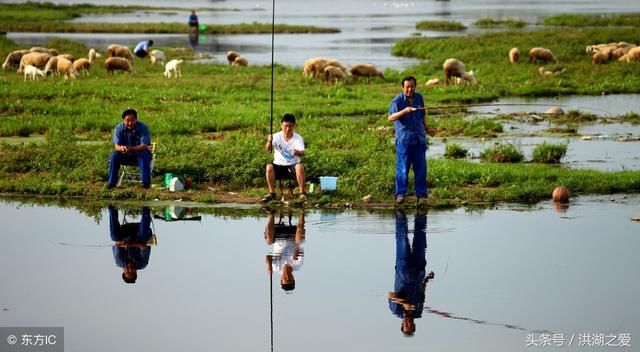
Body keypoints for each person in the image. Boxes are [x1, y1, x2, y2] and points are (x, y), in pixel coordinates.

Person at [388, 210, 435, 336]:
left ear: (402, 324)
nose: (408, 324)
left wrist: (405, 303)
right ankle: (421, 214)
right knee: (421, 238)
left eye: (406, 326)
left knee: (402, 238)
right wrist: (426, 280)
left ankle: (400, 212)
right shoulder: (418, 311)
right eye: (411, 326)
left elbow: (390, 295)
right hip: (419, 270)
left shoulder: (396, 311)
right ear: (414, 324)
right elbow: (421, 294)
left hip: (403, 269)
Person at [388, 76, 432, 206]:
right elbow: (391, 118)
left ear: (415, 86)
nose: (409, 89)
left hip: (419, 140)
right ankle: (400, 195)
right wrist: (405, 111)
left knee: (421, 169)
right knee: (402, 170)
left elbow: (422, 115)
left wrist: (427, 129)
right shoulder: (397, 101)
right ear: (402, 87)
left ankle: (421, 195)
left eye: (412, 86)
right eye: (407, 87)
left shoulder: (419, 98)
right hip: (404, 141)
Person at [261, 113, 307, 202]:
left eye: (291, 126)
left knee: (299, 166)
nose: (288, 129)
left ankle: (302, 193)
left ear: (294, 126)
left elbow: (302, 152)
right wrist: (269, 142)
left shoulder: (298, 138)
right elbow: (267, 149)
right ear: (281, 125)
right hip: (279, 166)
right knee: (269, 167)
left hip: (292, 166)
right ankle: (272, 193)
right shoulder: (275, 136)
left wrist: (298, 152)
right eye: (286, 126)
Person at [106, 108, 152, 189]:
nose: (130, 123)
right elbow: (116, 146)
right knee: (114, 155)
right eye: (127, 120)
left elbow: (144, 145)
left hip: (140, 156)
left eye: (132, 120)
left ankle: (146, 184)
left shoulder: (143, 128)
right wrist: (122, 148)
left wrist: (130, 149)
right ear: (123, 120)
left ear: (136, 120)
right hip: (125, 155)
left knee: (143, 153)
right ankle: (111, 183)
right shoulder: (118, 128)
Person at [108, 206, 153, 284]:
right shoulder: (142, 263)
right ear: (136, 272)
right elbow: (144, 246)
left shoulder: (119, 261)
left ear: (123, 272)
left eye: (127, 272)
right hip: (140, 231)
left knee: (114, 237)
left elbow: (117, 243)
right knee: (142, 238)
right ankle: (146, 210)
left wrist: (122, 243)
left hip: (125, 232)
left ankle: (112, 208)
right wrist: (131, 244)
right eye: (132, 272)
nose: (130, 270)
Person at [265, 209, 305, 291]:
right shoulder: (297, 266)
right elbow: (300, 250)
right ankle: (302, 211)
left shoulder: (275, 267)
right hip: (293, 236)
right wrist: (296, 252)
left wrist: (269, 266)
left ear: (281, 279)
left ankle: (271, 213)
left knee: (269, 241)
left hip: (277, 237)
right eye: (290, 279)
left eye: (285, 279)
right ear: (293, 278)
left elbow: (267, 256)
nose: (287, 276)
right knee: (299, 241)